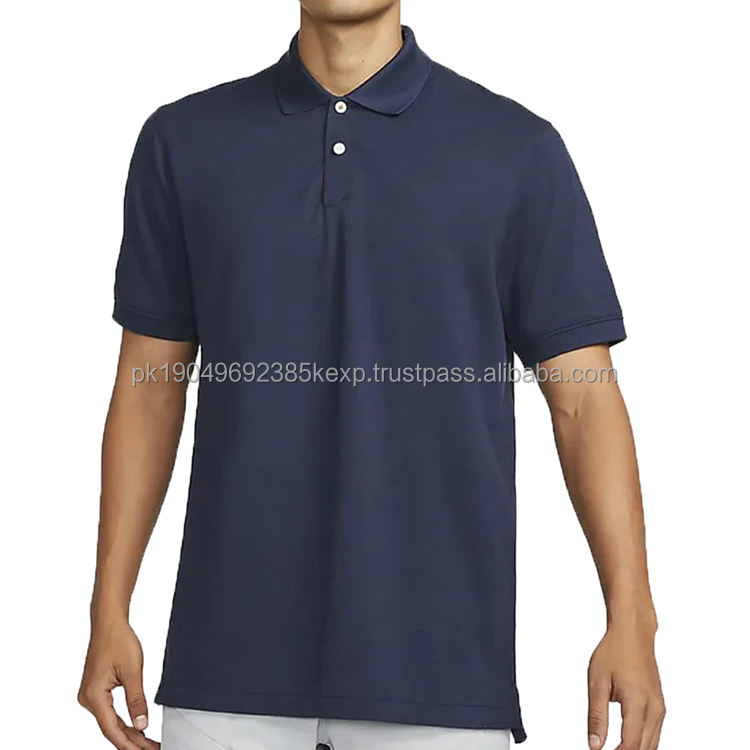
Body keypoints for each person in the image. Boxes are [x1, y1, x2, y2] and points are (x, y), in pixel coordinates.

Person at [78, 1, 665, 748]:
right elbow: (147, 392)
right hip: (225, 679)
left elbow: (585, 402)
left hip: (442, 687)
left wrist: (631, 618)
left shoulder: (516, 149)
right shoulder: (184, 141)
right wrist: (108, 609)